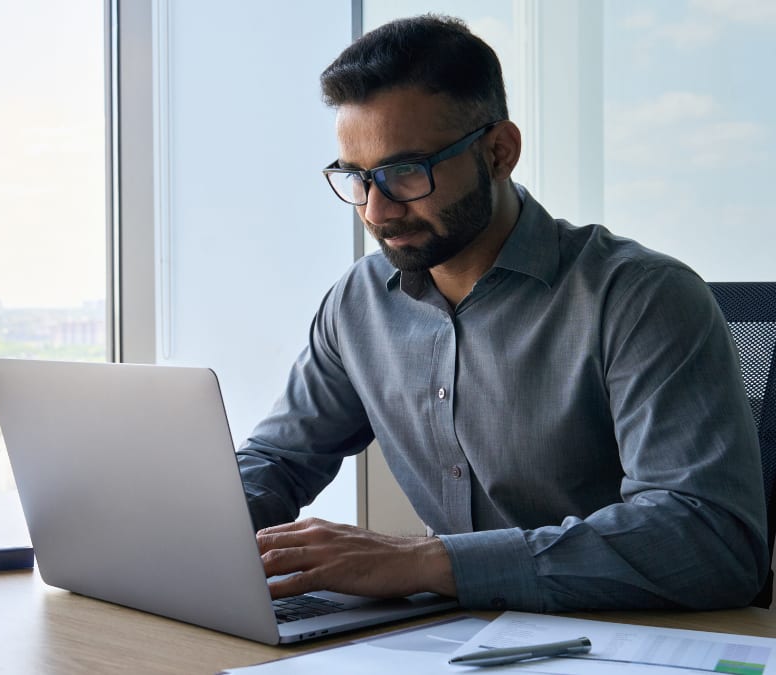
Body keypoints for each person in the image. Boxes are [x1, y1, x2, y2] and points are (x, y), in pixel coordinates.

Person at [237, 14, 768, 612]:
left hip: (632, 643)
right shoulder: (359, 302)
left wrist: (422, 562)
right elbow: (279, 461)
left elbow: (710, 541)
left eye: (406, 171)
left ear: (499, 152)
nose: (377, 210)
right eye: (356, 177)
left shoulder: (642, 297)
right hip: (456, 638)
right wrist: (185, 524)